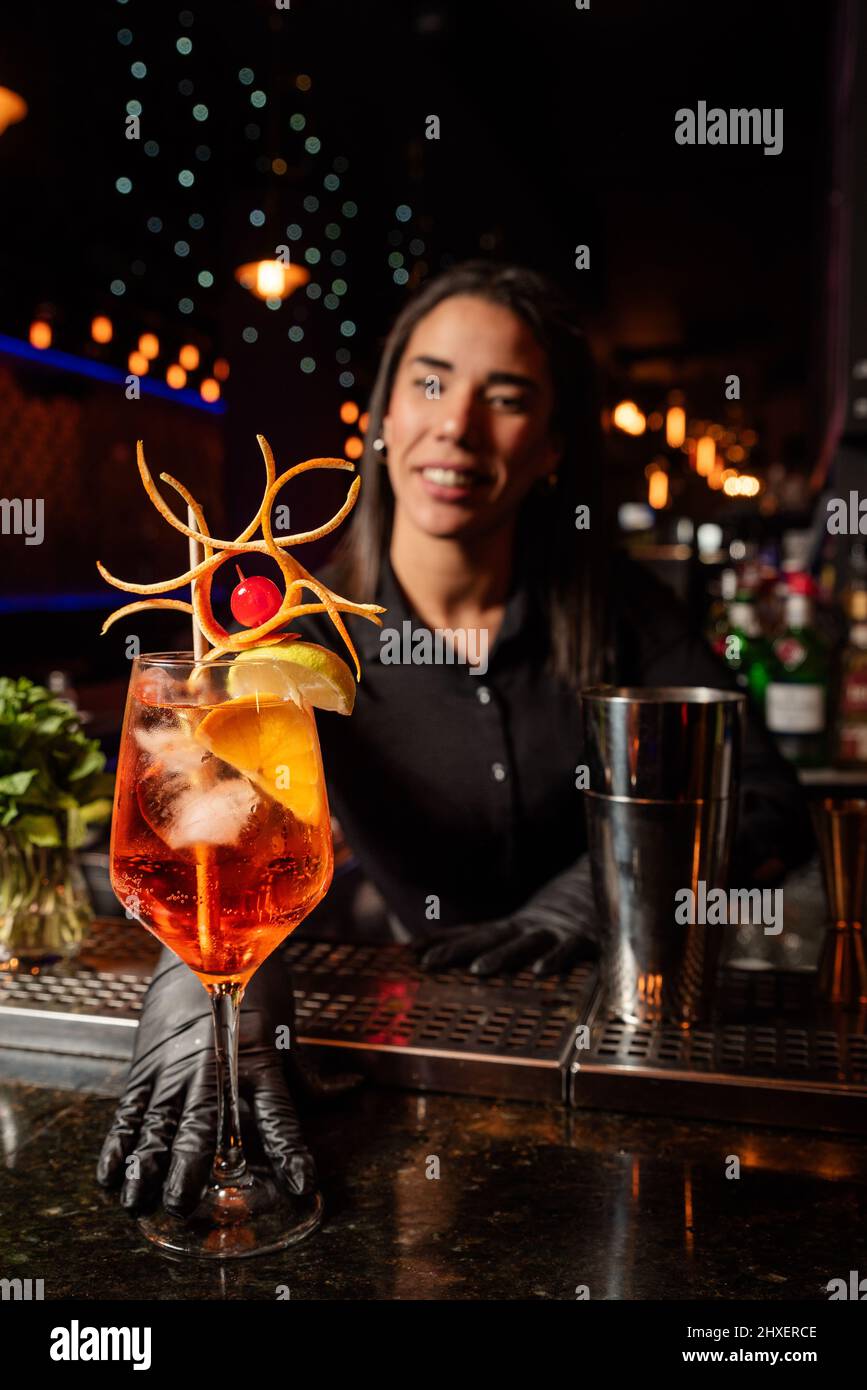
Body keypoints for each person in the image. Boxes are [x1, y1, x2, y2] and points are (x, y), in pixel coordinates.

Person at [97, 261, 813, 1216]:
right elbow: (209, 831)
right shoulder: (290, 649)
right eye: (429, 383)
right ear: (384, 416)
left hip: (600, 1056)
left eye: (507, 398)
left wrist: (592, 895)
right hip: (399, 1070)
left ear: (553, 443)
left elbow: (768, 802)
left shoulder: (628, 618)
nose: (457, 426)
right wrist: (203, 996)